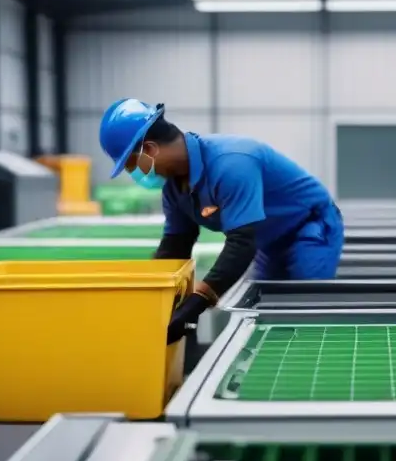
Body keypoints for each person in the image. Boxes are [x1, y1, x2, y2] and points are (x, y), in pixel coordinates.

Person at [99, 98, 344, 343]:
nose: (134, 174)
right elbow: (175, 246)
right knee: (264, 317)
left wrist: (200, 299)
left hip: (309, 228)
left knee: (307, 316)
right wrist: (154, 298)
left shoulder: (232, 163)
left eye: (131, 165)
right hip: (267, 240)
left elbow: (241, 243)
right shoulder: (173, 189)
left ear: (150, 149)